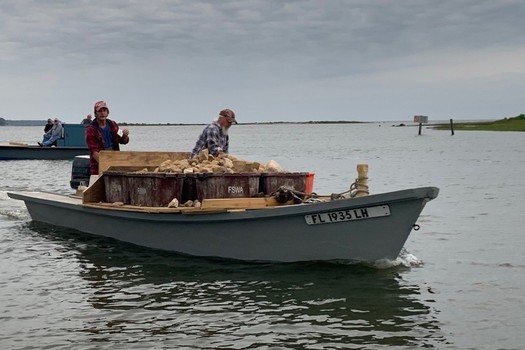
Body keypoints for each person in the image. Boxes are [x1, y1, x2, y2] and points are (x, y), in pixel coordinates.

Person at [85, 100, 130, 175]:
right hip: (98, 164)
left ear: (107, 112)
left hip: (115, 159)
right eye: (99, 111)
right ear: (95, 114)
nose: (102, 113)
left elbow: (123, 141)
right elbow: (93, 151)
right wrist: (105, 164)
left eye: (104, 110)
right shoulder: (90, 129)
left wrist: (125, 135)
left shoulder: (113, 124)